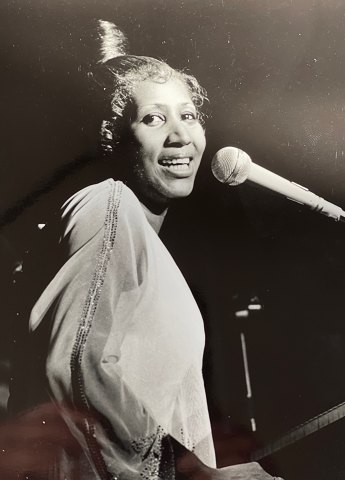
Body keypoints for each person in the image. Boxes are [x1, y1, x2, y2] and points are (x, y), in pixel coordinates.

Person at [7, 20, 281, 480]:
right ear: (114, 135)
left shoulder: (139, 235)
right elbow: (78, 364)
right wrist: (196, 474)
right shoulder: (109, 204)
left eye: (189, 115)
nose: (180, 136)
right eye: (154, 118)